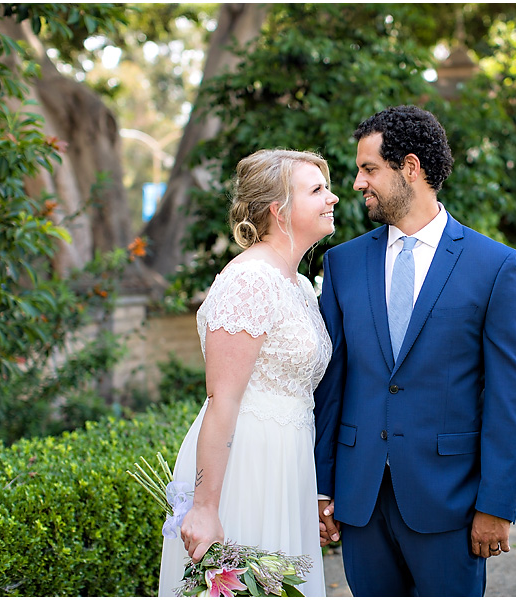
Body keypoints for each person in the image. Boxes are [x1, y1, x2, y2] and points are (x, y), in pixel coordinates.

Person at [314, 105, 516, 596]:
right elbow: (331, 386)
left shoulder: (496, 267)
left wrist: (497, 505)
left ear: (410, 168)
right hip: (361, 499)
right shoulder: (343, 264)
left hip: (451, 502)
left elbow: (513, 398)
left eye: (369, 168)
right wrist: (322, 485)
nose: (357, 183)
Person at [158, 149, 338, 597]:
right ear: (280, 210)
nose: (332, 198)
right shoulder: (249, 280)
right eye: (317, 190)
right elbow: (223, 399)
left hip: (287, 463)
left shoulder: (295, 284)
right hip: (246, 467)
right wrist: (203, 507)